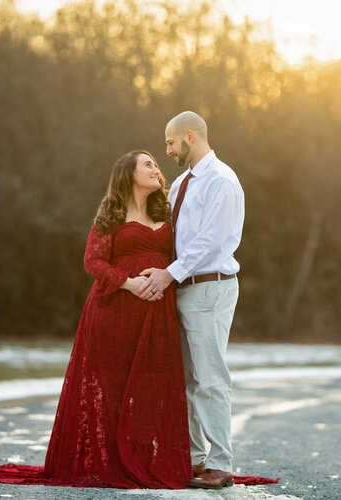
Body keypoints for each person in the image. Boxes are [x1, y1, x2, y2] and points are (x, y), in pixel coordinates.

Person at [0, 150, 193, 488]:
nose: (156, 169)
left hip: (156, 314)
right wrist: (129, 283)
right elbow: (93, 262)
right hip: (114, 312)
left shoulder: (169, 213)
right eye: (147, 164)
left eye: (156, 164)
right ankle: (111, 463)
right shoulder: (111, 213)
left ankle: (143, 461)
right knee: (112, 389)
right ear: (128, 174)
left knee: (151, 388)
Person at [138, 111, 244, 489]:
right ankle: (196, 458)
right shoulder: (183, 182)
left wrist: (169, 273)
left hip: (210, 287)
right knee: (186, 377)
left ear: (189, 137)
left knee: (210, 376)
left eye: (170, 143)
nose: (167, 151)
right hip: (181, 289)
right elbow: (169, 238)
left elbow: (211, 241)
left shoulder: (221, 180)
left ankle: (220, 462)